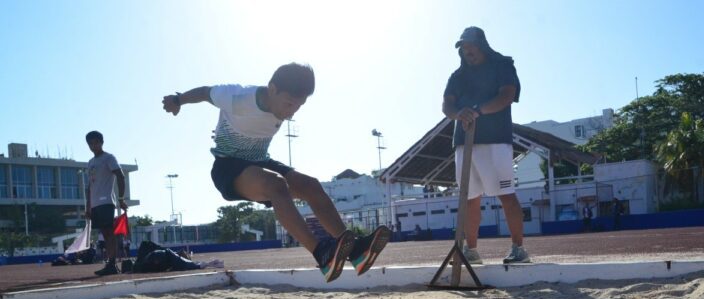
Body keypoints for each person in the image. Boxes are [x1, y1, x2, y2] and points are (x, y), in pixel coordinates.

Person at [161, 63, 389, 282]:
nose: (291, 112)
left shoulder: (282, 105)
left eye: (298, 107)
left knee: (311, 185)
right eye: (288, 104)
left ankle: (357, 253)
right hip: (228, 166)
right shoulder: (236, 97)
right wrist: (177, 100)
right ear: (272, 89)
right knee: (276, 185)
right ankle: (322, 255)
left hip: (260, 161)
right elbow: (204, 92)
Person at [442, 27, 530, 265]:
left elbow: (507, 95)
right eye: (463, 48)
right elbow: (447, 107)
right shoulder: (457, 76)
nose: (467, 51)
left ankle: (518, 248)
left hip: (495, 140)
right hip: (464, 141)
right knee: (468, 198)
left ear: (482, 44)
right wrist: (459, 114)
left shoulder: (501, 65)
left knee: (505, 194)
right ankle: (470, 250)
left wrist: (479, 110)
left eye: (471, 46)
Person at [85, 131, 127, 276]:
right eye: (90, 143)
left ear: (101, 142)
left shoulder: (108, 158)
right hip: (95, 204)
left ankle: (112, 264)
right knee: (104, 233)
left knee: (110, 233)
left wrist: (121, 198)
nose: (93, 146)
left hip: (107, 201)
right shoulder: (90, 163)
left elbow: (120, 176)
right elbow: (89, 187)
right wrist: (88, 207)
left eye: (96, 142)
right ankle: (110, 263)